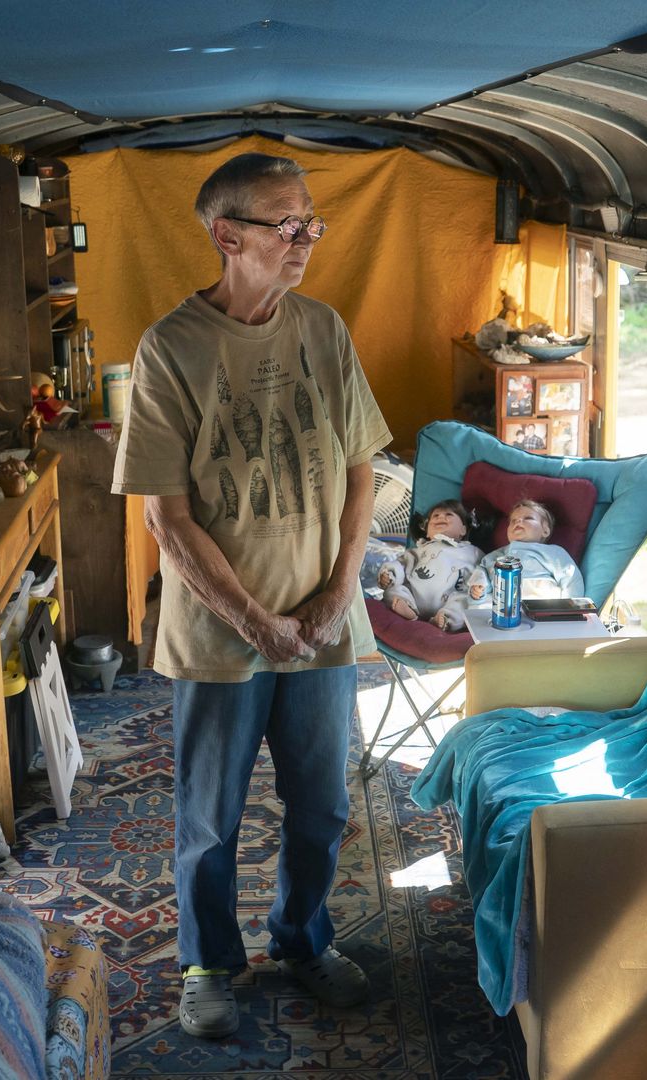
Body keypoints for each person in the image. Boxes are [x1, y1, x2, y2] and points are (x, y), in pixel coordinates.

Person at [111, 153, 390, 1040]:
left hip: (320, 625)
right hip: (222, 634)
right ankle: (206, 964)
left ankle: (304, 941)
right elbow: (168, 518)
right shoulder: (171, 349)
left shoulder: (323, 329)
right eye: (285, 222)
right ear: (227, 235)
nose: (305, 237)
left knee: (324, 805)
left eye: (311, 220)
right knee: (210, 816)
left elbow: (360, 476)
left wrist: (339, 594)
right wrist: (252, 622)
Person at [378, 500, 482, 631]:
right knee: (394, 589)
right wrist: (390, 574)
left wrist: (480, 586)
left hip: (449, 599)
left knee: (464, 602)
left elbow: (483, 569)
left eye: (449, 515)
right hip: (414, 596)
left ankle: (447, 619)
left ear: (463, 529)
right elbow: (401, 564)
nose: (441, 517)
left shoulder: (472, 551)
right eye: (435, 516)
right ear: (427, 532)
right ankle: (406, 608)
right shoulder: (419, 550)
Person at [466, 499, 585, 610]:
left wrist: (570, 609)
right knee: (479, 610)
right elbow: (481, 571)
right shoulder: (495, 555)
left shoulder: (553, 552)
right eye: (513, 520)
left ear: (545, 531)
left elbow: (571, 577)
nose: (518, 521)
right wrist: (477, 588)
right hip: (501, 607)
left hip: (540, 606)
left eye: (528, 518)